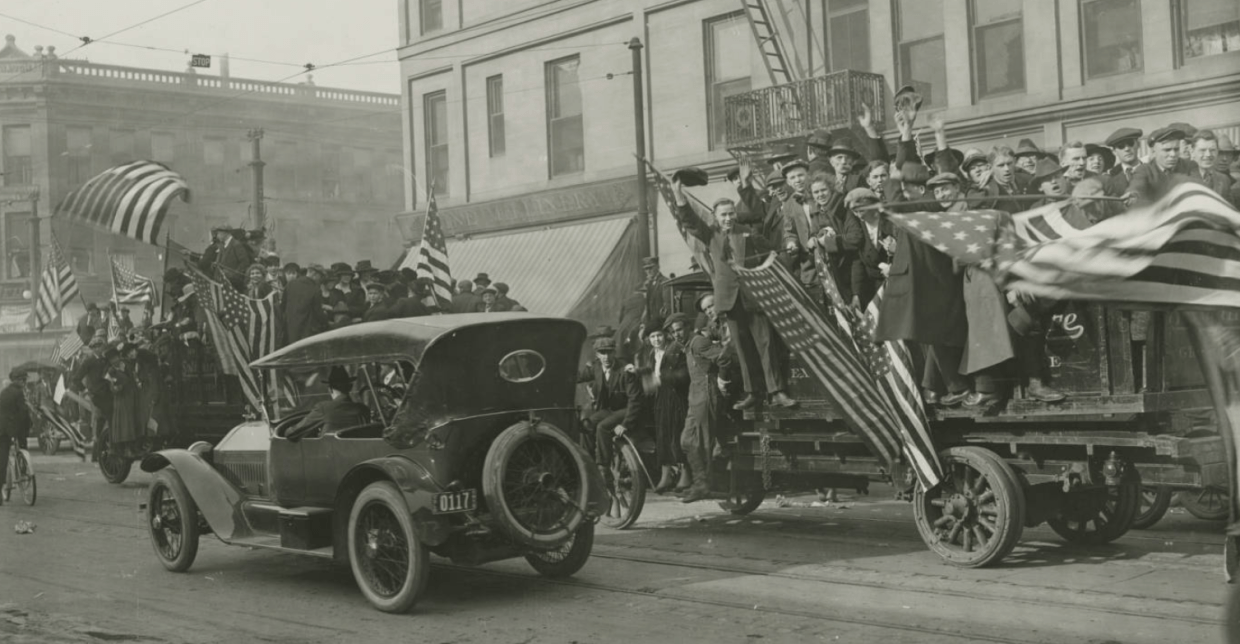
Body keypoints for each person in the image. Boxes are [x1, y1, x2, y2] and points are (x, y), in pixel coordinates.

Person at [670, 176, 797, 411]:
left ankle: (777, 392)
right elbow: (688, 220)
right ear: (716, 217)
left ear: (735, 215)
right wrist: (678, 194)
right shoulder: (710, 234)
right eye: (723, 215)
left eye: (730, 213)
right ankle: (754, 393)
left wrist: (788, 247)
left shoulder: (748, 233)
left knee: (765, 345)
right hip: (729, 301)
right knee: (743, 348)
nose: (728, 218)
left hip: (754, 298)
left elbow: (772, 254)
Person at [630, 317, 690, 494]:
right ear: (648, 339)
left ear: (665, 336)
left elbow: (684, 375)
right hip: (661, 399)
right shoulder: (651, 355)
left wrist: (661, 379)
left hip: (676, 398)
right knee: (662, 435)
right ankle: (666, 475)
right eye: (652, 337)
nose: (656, 340)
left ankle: (685, 475)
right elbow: (651, 373)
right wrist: (638, 372)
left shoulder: (675, 351)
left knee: (677, 434)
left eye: (659, 336)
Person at [577, 336, 643, 477]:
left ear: (614, 353)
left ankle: (603, 467)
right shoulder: (596, 367)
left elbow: (635, 401)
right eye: (602, 352)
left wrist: (625, 424)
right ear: (597, 354)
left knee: (602, 427)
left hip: (626, 410)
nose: (606, 357)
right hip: (609, 411)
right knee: (586, 424)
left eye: (609, 352)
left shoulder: (625, 370)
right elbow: (579, 377)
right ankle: (587, 463)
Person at [842, 188, 893, 309]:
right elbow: (858, 261)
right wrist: (857, 294)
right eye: (854, 211)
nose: (858, 214)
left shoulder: (890, 222)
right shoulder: (858, 227)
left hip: (895, 283)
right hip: (872, 287)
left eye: (861, 209)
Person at [289, 367, 371, 438]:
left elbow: (292, 433)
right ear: (350, 388)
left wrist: (287, 430)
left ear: (330, 389)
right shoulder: (363, 410)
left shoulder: (323, 408)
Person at [1128, 126, 1197, 204]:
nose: (1173, 154)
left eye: (1176, 149)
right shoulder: (1145, 170)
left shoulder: (1190, 166)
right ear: (1154, 151)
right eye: (1167, 150)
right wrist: (1132, 194)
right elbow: (1137, 185)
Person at [0, 368, 32, 505]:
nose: (24, 383)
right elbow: (23, 412)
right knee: (23, 445)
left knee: (2, 460)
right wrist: (29, 424)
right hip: (14, 428)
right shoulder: (18, 392)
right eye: (24, 380)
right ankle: (23, 470)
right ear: (19, 380)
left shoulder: (4, 392)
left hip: (2, 429)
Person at [282, 262, 326, 344]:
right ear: (314, 274)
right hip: (307, 332)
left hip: (290, 330)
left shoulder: (291, 284)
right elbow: (318, 313)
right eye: (320, 276)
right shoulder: (315, 289)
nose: (320, 279)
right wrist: (326, 323)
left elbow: (283, 306)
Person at [1189, 130, 1235, 202]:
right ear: (1192, 152)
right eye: (1202, 150)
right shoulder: (1183, 177)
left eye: (1212, 150)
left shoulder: (1224, 180)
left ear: (1217, 151)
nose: (1208, 154)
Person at [1102, 127, 1144, 197]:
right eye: (1121, 146)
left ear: (1138, 144)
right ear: (1114, 152)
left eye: (1130, 143)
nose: (1127, 149)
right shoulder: (1110, 179)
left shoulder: (1153, 171)